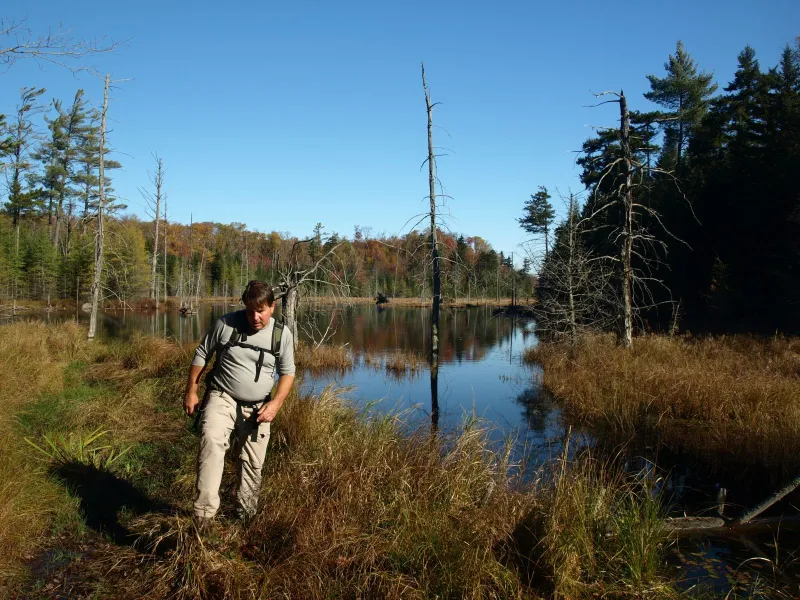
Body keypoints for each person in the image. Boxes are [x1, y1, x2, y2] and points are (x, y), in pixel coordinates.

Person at [184, 280, 295, 524]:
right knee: (211, 444)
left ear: (272, 307)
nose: (255, 317)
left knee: (253, 463)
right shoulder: (225, 324)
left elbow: (288, 373)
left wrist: (275, 404)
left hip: (258, 406)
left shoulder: (281, 334)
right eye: (250, 310)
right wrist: (191, 390)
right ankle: (203, 518)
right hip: (222, 396)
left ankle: (245, 519)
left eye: (261, 311)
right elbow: (202, 353)